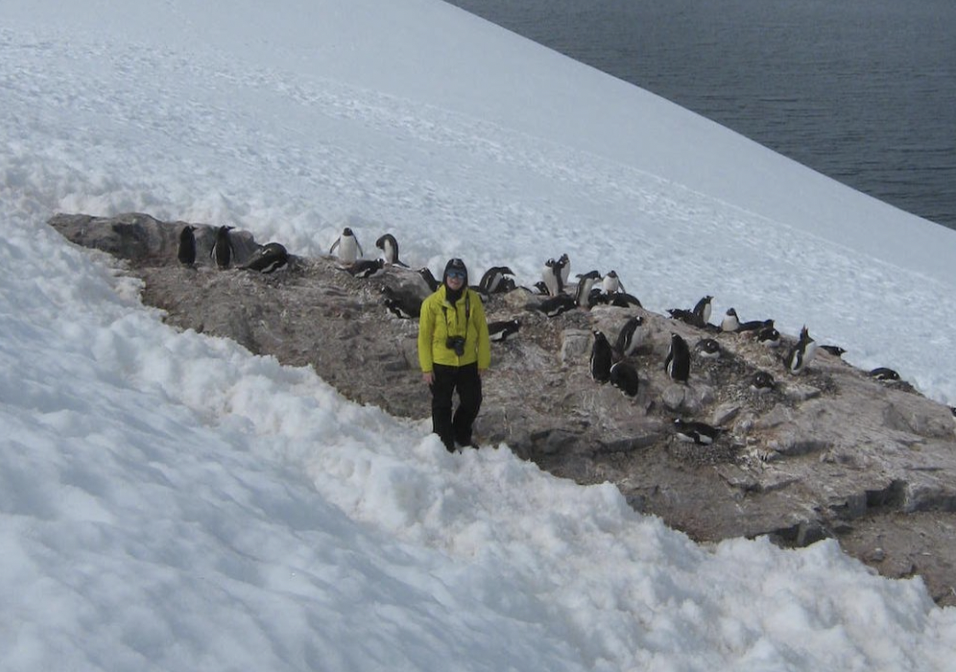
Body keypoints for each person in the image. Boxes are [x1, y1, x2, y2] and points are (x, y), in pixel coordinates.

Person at [418, 258, 491, 452]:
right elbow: (424, 338)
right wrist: (426, 368)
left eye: (460, 275)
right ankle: (443, 442)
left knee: (472, 400)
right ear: (445, 276)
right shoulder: (431, 304)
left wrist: (483, 361)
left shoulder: (473, 300)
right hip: (441, 361)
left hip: (468, 361)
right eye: (451, 274)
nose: (455, 279)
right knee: (441, 403)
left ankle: (460, 433)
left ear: (465, 278)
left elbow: (482, 332)